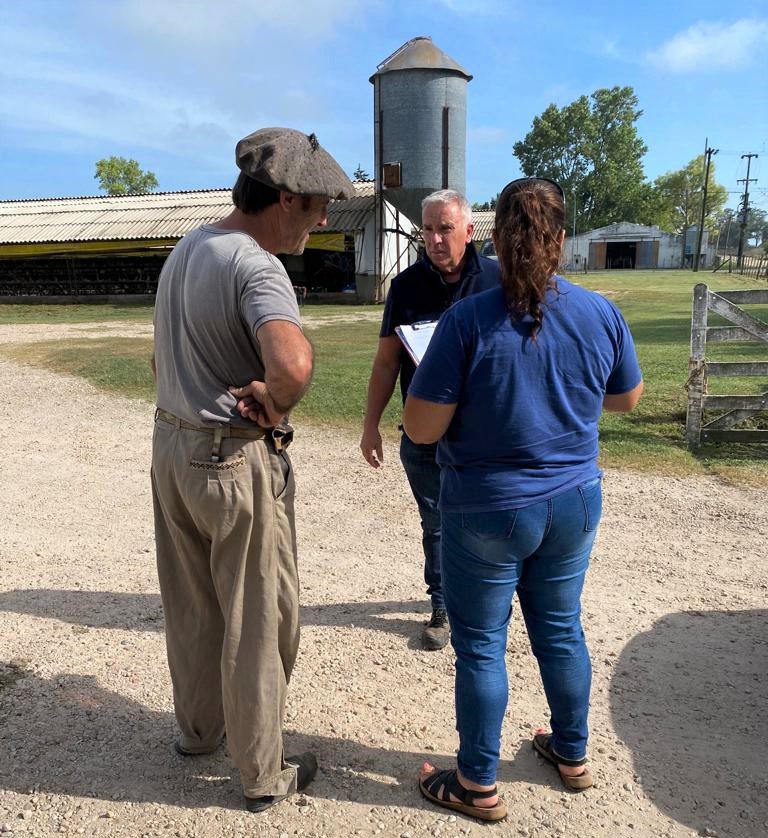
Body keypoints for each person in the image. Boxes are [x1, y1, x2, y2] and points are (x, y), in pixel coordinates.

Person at [402, 177, 643, 821]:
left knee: (481, 644)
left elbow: (421, 427)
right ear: (561, 241)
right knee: (561, 629)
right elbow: (625, 398)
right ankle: (572, 753)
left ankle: (477, 782)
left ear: (496, 242)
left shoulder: (466, 321)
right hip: (574, 500)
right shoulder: (599, 312)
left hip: (486, 507)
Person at [150, 127, 354, 813]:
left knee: (192, 608)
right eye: (320, 205)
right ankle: (263, 772)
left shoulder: (188, 247)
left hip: (172, 449)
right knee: (258, 619)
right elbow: (293, 364)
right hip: (231, 460)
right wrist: (278, 395)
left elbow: (159, 362)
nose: (324, 219)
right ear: (287, 198)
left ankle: (200, 732)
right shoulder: (257, 265)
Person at [360, 189, 500, 650]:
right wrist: (370, 425)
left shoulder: (498, 280)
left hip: (484, 433)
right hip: (424, 434)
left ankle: (485, 601)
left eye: (446, 228)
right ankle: (442, 605)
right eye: (428, 230)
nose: (436, 239)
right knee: (437, 522)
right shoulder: (406, 287)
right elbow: (386, 363)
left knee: (488, 519)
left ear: (469, 230)